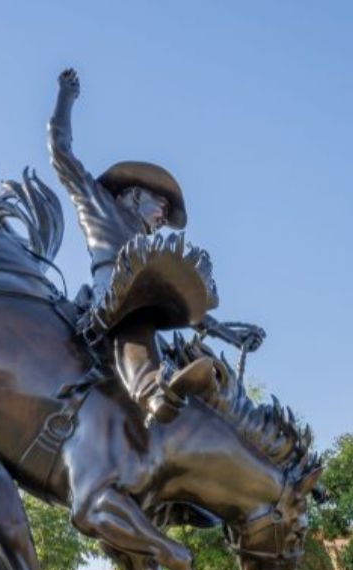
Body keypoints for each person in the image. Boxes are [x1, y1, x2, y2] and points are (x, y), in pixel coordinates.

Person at [48, 68, 264, 423]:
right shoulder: (98, 202)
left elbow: (176, 300)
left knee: (169, 337)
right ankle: (150, 389)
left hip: (144, 299)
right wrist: (65, 96)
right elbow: (60, 150)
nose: (164, 216)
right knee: (135, 312)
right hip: (111, 299)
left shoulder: (147, 249)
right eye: (161, 205)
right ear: (133, 195)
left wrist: (228, 333)